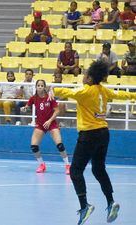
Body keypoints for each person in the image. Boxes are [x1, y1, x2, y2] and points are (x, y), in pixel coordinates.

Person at [49, 61, 136, 224]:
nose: (83, 76)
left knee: (75, 171)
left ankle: (84, 206)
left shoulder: (85, 91)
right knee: (98, 169)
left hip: (88, 135)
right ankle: (111, 202)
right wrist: (134, 95)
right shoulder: (104, 90)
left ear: (89, 78)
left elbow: (68, 91)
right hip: (104, 134)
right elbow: (122, 95)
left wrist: (53, 89)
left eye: (85, 74)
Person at [21, 79, 70, 174]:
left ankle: (68, 165)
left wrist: (50, 120)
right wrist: (24, 108)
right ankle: (42, 164)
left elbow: (57, 111)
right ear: (36, 87)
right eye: (38, 85)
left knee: (59, 145)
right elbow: (27, 106)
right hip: (40, 124)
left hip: (51, 123)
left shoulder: (50, 97)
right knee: (34, 146)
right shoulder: (33, 98)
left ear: (44, 87)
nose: (40, 87)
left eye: (41, 85)